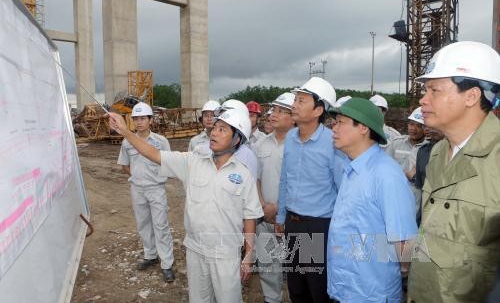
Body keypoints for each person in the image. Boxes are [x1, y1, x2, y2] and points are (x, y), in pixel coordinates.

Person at [110, 108, 263, 302]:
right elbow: (155, 154)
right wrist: (125, 132)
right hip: (195, 249)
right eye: (215, 127)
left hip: (225, 252)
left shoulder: (244, 175)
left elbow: (250, 217)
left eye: (222, 129)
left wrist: (248, 257)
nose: (214, 132)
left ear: (237, 140)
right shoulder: (193, 162)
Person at [407, 41, 500, 303]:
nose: (423, 100)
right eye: (425, 90)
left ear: (471, 96)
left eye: (434, 90)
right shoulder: (437, 154)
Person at [327, 97, 418, 302]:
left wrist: (398, 272)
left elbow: (404, 241)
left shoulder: (386, 174)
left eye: (341, 122)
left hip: (371, 293)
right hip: (344, 289)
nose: (334, 128)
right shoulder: (351, 168)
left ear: (363, 128)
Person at [274, 77, 346, 303]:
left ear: (318, 109)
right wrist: (281, 216)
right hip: (292, 223)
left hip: (318, 226)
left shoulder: (332, 143)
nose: (294, 105)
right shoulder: (292, 138)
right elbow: (285, 179)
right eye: (295, 99)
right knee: (295, 286)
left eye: (301, 100)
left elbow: (343, 189)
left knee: (318, 289)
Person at [116, 102, 175, 282]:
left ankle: (167, 263)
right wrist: (138, 176)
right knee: (143, 224)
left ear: (150, 120)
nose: (139, 122)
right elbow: (125, 165)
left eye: (143, 118)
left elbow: (169, 164)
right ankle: (150, 255)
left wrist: (152, 178)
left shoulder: (160, 141)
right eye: (136, 119)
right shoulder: (127, 142)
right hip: (137, 189)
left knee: (161, 225)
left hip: (156, 189)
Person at [254, 92, 295, 303]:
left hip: (292, 217)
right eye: (274, 110)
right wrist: (263, 206)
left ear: (293, 117)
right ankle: (272, 299)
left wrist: (279, 209)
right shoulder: (261, 144)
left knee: (301, 267)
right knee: (268, 264)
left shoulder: (300, 145)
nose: (273, 114)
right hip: (265, 215)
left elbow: (302, 184)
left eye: (281, 110)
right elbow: (257, 179)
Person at [412, 126, 444, 224]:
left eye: (434, 125)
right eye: (425, 126)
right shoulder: (422, 151)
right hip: (424, 215)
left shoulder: (458, 151)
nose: (428, 129)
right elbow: (420, 189)